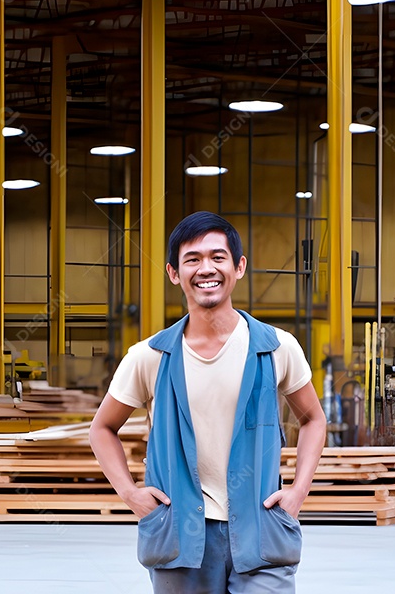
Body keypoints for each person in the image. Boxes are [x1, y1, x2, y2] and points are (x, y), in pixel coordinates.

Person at [91, 211, 327, 593]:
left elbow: (313, 419)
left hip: (262, 530)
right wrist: (131, 494)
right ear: (173, 273)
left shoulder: (277, 348)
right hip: (180, 536)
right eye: (193, 259)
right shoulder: (150, 356)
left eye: (218, 257)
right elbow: (102, 429)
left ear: (238, 267)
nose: (207, 269)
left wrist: (298, 490)